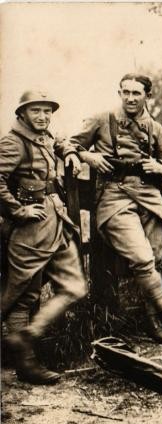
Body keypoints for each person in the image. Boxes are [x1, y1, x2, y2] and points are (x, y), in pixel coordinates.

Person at [68, 73, 162, 343]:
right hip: (115, 197)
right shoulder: (102, 119)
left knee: (155, 259)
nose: (130, 98)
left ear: (147, 96)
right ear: (119, 93)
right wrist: (89, 156)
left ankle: (150, 320)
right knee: (143, 259)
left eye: (137, 93)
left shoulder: (154, 127)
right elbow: (67, 144)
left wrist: (160, 168)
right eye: (126, 92)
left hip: (149, 198)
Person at [0, 91, 87, 384]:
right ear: (22, 114)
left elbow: (58, 142)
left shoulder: (43, 135)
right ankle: (26, 365)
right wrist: (17, 210)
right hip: (30, 229)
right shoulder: (13, 141)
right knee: (23, 296)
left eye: (47, 111)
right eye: (35, 111)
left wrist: (71, 151)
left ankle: (26, 336)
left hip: (56, 222)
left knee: (74, 286)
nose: (42, 116)